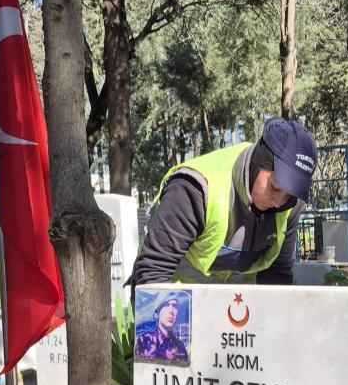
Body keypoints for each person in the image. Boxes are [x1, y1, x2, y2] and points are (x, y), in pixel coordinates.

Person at [129, 118, 316, 286]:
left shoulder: (289, 207)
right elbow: (153, 275)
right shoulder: (194, 189)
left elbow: (277, 278)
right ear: (257, 164)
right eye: (274, 187)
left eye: (289, 196)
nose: (278, 202)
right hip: (177, 298)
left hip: (235, 306)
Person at [136, 295, 189, 363]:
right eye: (166, 305)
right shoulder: (145, 341)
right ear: (158, 311)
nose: (171, 311)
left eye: (175, 306)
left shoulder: (180, 346)